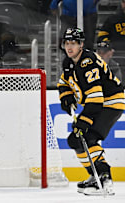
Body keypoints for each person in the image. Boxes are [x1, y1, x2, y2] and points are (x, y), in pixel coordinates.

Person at [58, 28, 125, 196]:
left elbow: (95, 100)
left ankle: (104, 176)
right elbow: (63, 82)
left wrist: (84, 121)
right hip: (100, 103)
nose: (69, 47)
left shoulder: (87, 62)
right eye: (67, 43)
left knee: (87, 136)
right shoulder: (68, 62)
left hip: (111, 102)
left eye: (73, 43)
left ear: (81, 44)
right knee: (75, 140)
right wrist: (66, 96)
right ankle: (94, 175)